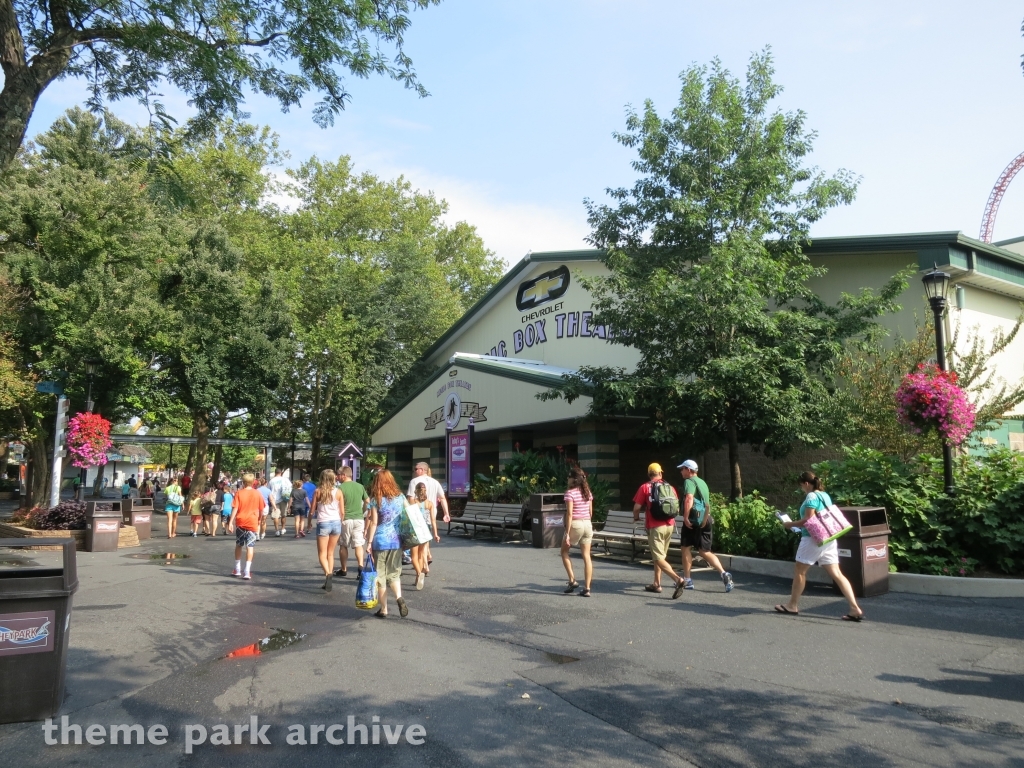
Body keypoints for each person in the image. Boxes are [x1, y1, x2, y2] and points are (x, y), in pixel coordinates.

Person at [776, 471, 865, 621]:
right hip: (829, 538)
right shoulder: (825, 495)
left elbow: (808, 520)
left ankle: (792, 605)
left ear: (806, 484)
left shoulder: (811, 496)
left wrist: (789, 524)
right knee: (837, 574)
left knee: (800, 571)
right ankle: (854, 608)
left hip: (812, 539)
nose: (801, 489)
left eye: (801, 486)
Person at [676, 460, 733, 592]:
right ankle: (723, 573)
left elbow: (689, 498)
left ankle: (688, 580)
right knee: (704, 551)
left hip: (693, 519)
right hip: (706, 519)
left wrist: (685, 517)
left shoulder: (689, 482)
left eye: (682, 469)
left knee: (685, 548)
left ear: (689, 470)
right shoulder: (702, 482)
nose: (681, 471)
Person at [632, 463, 687, 599]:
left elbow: (636, 507)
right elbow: (676, 508)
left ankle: (678, 580)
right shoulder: (670, 487)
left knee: (658, 557)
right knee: (660, 556)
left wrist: (636, 518)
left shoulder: (645, 487)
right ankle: (656, 584)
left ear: (649, 474)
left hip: (655, 526)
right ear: (660, 473)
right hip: (669, 525)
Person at [365, 469, 409, 619]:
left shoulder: (376, 499)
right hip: (396, 541)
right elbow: (407, 517)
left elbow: (374, 523)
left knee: (380, 576)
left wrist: (369, 542)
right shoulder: (401, 497)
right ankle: (398, 597)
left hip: (380, 541)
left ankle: (384, 609)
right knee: (394, 574)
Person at [406, 462, 448, 574]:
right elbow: (442, 498)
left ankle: (422, 568)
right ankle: (425, 564)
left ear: (422, 470)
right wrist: (446, 513)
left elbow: (410, 501)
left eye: (416, 469)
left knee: (416, 551)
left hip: (415, 522)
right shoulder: (435, 482)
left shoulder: (414, 482)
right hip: (429, 518)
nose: (415, 471)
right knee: (424, 545)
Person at [560, 466, 595, 597]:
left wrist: (568, 533)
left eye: (569, 477)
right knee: (587, 556)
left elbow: (569, 514)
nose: (567, 479)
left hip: (576, 524)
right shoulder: (587, 492)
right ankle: (587, 588)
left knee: (564, 551)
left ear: (574, 479)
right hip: (587, 523)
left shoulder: (570, 493)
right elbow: (591, 512)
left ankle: (572, 580)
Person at [310, 469, 345, 592]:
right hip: (336, 523)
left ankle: (328, 574)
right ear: (333, 478)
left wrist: (309, 522)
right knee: (331, 553)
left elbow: (312, 509)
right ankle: (328, 577)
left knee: (322, 554)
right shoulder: (338, 492)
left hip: (323, 522)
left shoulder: (317, 491)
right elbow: (342, 512)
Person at [227, 473, 266, 580]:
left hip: (240, 521)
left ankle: (237, 569)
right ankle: (247, 571)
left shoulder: (239, 493)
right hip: (252, 522)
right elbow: (261, 509)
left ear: (243, 482)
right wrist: (260, 519)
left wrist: (230, 522)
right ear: (254, 482)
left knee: (239, 545)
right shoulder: (257, 493)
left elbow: (235, 508)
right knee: (250, 546)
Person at [336, 466, 368, 577]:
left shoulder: (340, 488)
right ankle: (360, 566)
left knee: (343, 545)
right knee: (358, 544)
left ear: (344, 475)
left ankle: (344, 569)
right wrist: (363, 511)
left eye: (338, 474)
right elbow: (367, 501)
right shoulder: (360, 486)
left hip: (346, 519)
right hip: (359, 519)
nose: (337, 477)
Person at [409, 482, 440, 590]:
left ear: (416, 491)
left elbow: (409, 516)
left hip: (415, 530)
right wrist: (435, 534)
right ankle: (417, 579)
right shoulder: (430, 504)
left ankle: (418, 573)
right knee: (422, 555)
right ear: (425, 491)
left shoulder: (413, 502)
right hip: (426, 531)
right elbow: (433, 520)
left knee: (413, 557)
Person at [268, 468, 291, 537]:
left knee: (276, 516)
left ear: (275, 473)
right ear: (281, 473)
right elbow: (290, 487)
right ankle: (283, 528)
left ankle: (277, 530)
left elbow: (269, 490)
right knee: (283, 515)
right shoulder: (285, 479)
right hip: (284, 499)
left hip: (274, 500)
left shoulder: (271, 481)